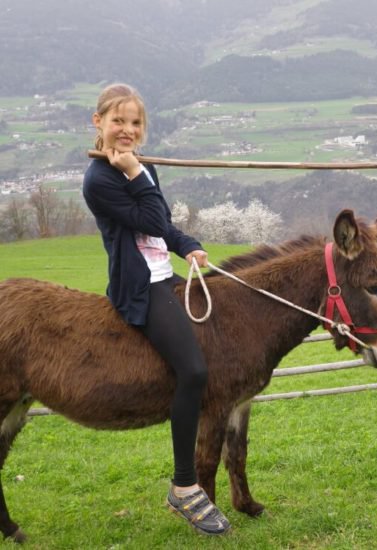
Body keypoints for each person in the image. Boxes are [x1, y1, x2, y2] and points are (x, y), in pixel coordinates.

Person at [83, 83, 230, 536]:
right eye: (118, 121)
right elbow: (147, 218)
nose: (126, 130)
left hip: (165, 272)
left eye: (135, 123)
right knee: (194, 372)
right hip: (141, 289)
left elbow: (161, 224)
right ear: (99, 123)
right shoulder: (100, 179)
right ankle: (184, 486)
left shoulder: (136, 168)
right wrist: (136, 174)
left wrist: (189, 246)